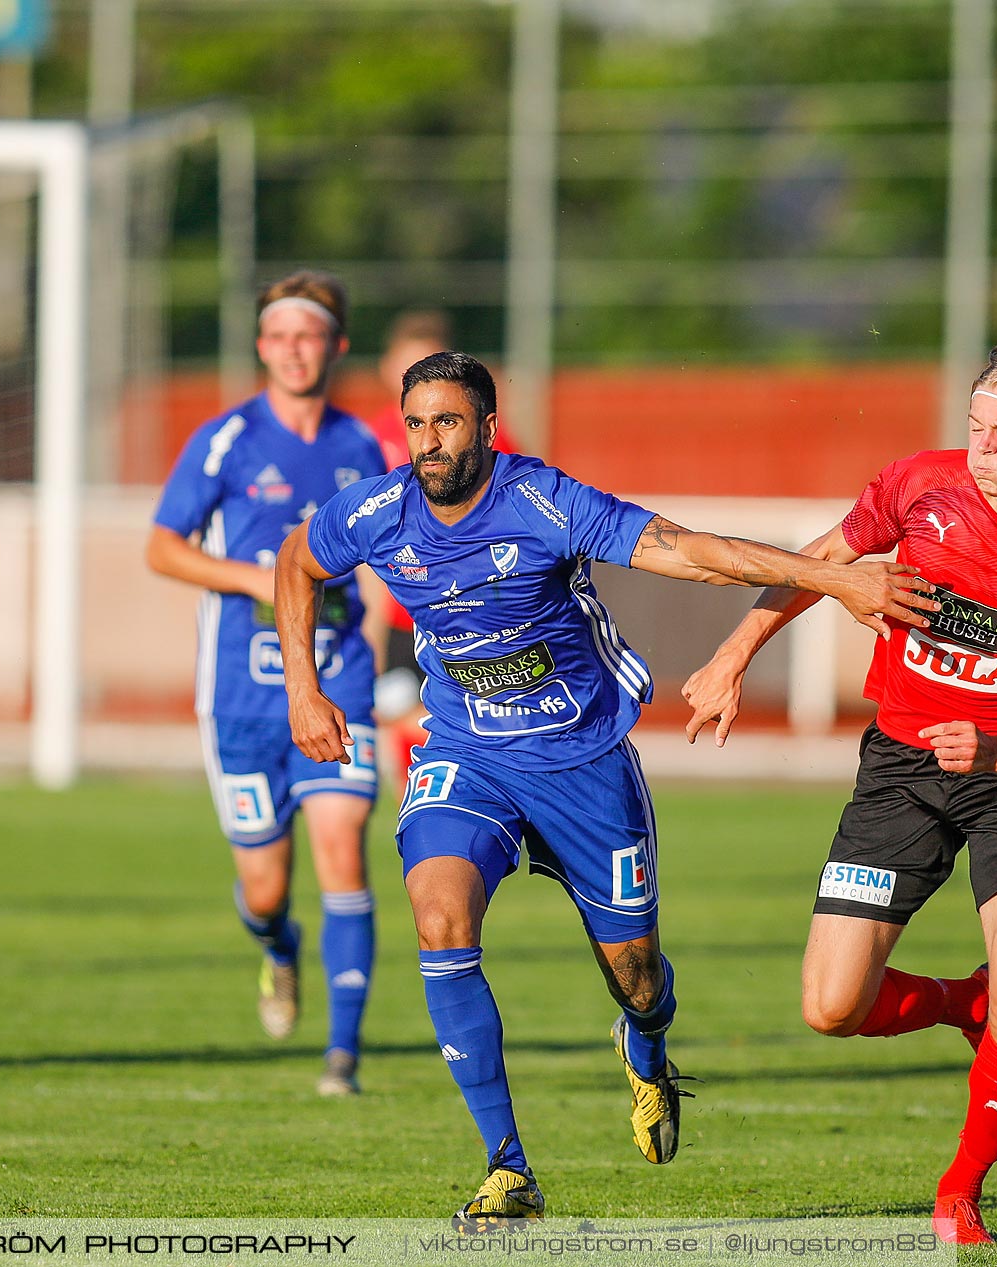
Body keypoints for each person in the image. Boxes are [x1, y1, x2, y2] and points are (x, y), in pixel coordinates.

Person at [275, 351, 935, 1226]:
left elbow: (695, 554)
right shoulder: (376, 511)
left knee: (636, 977)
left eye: (449, 422)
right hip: (468, 755)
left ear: (487, 425)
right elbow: (295, 560)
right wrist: (301, 685)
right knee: (439, 915)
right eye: (418, 424)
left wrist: (839, 575)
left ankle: (647, 1042)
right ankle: (507, 1167)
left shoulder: (544, 502)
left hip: (585, 763)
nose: (430, 443)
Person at [681, 333, 997, 1245]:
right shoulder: (919, 485)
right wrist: (731, 657)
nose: (980, 443)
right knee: (831, 1006)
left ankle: (961, 1190)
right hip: (901, 768)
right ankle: (953, 1004)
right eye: (974, 424)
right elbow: (813, 567)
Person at [146, 271, 388, 1097]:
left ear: (336, 345)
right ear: (261, 347)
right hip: (244, 701)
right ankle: (279, 949)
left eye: (310, 333)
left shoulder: (363, 449)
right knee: (265, 885)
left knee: (341, 849)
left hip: (338, 681)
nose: (294, 348)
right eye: (279, 335)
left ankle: (342, 1056)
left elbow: (396, 560)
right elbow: (162, 546)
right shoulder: (224, 441)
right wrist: (256, 580)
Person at [365, 312, 516, 788]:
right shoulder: (365, 439)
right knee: (410, 758)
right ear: (388, 369)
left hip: (464, 616)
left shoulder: (482, 438)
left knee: (476, 754)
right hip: (397, 622)